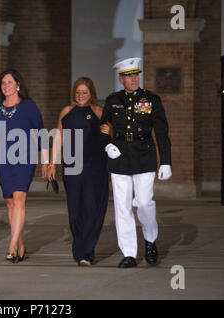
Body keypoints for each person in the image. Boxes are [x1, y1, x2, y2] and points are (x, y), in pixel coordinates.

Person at [100, 57, 172, 268]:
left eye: (136, 75)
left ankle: (150, 240)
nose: (133, 79)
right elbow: (103, 126)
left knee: (144, 202)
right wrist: (107, 145)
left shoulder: (151, 99)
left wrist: (165, 161)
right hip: (120, 157)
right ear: (121, 79)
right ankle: (129, 253)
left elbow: (161, 131)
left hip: (144, 155)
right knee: (122, 207)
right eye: (129, 76)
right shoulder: (113, 100)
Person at [0, 69, 49, 263]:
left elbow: (41, 133)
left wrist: (46, 161)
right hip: (4, 160)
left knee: (19, 198)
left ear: (18, 85)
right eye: (3, 83)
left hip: (25, 157)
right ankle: (20, 245)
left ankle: (12, 245)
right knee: (10, 202)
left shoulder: (29, 106)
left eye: (10, 82)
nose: (6, 86)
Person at [47, 77, 109, 267]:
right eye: (78, 92)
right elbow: (59, 138)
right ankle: (79, 248)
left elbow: (110, 136)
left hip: (94, 168)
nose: (80, 95)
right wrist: (51, 163)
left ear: (92, 95)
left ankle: (87, 252)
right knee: (75, 210)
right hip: (72, 168)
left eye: (85, 92)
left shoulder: (99, 111)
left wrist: (109, 132)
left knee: (92, 209)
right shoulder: (67, 111)